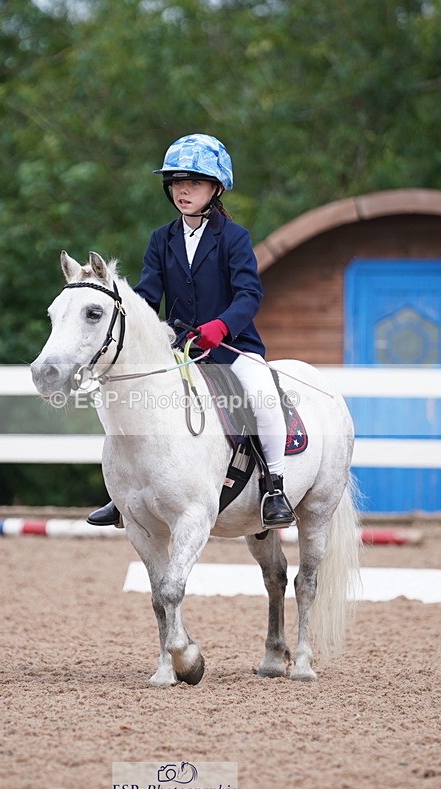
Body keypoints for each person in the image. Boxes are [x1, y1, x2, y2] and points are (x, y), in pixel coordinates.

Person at [87, 133, 294, 528]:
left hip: (232, 347)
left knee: (262, 396)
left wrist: (221, 326)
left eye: (194, 182)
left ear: (215, 188)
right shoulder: (160, 239)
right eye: (177, 183)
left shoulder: (234, 237)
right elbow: (148, 297)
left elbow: (250, 294)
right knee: (123, 398)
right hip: (180, 351)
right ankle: (123, 493)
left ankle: (274, 485)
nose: (183, 190)